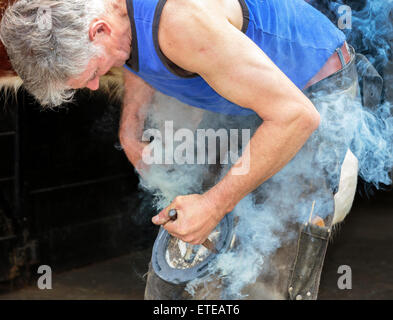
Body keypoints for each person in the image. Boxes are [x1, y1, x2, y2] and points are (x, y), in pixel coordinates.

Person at [0, 0, 361, 299]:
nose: (96, 84)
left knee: (266, 270)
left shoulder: (181, 23)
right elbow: (134, 43)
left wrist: (214, 203)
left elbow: (296, 116)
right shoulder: (109, 16)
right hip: (240, 95)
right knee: (182, 264)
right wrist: (131, 126)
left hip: (307, 93)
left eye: (93, 71)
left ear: (99, 30)